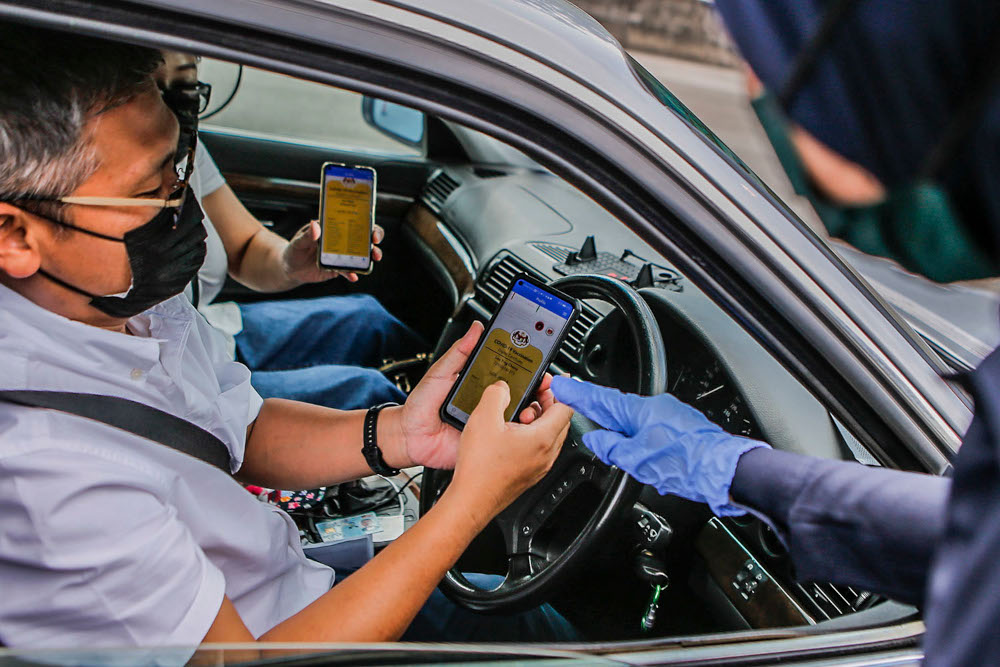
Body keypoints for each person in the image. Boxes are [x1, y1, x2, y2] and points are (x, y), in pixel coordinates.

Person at [0, 28, 576, 651]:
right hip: (289, 639)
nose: (183, 203)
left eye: (180, 171)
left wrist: (404, 434)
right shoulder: (46, 478)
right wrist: (471, 502)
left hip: (297, 580)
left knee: (528, 624)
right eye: (151, 192)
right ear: (16, 235)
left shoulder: (126, 302)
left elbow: (240, 430)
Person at [160, 52, 423, 411]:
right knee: (369, 392)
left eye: (187, 85)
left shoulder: (189, 150)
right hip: (181, 381)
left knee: (370, 318)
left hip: (208, 333)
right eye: (152, 86)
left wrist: (290, 263)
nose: (169, 106)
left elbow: (245, 245)